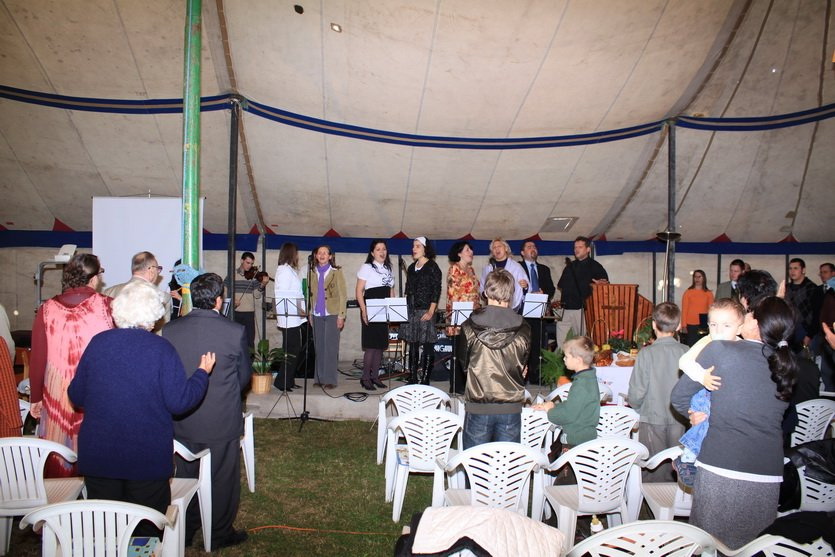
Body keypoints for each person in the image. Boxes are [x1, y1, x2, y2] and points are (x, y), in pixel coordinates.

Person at [68, 280, 214, 536]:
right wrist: (202, 373)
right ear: (155, 314)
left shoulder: (98, 343)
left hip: (100, 457)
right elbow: (180, 402)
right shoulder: (161, 349)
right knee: (146, 532)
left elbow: (76, 394)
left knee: (107, 531)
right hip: (145, 458)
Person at [671, 296, 798, 550]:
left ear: (755, 323)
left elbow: (678, 396)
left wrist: (696, 413)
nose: (746, 315)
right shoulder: (786, 364)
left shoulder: (719, 350)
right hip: (768, 473)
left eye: (750, 313)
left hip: (721, 465)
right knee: (753, 547)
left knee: (709, 545)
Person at [162, 273, 251, 549]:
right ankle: (219, 533)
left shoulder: (171, 330)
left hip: (184, 419)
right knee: (222, 477)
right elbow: (244, 377)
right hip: (220, 419)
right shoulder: (234, 331)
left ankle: (186, 530)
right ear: (218, 300)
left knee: (185, 476)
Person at [29, 253, 114, 477]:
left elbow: (38, 356)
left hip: (58, 392)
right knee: (98, 448)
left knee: (58, 447)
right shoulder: (107, 306)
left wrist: (36, 397)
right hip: (97, 390)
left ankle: (61, 493)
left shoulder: (47, 309)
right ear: (93, 278)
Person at [673, 298, 745, 487]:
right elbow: (684, 362)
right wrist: (702, 376)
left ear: (740, 328)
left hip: (725, 401)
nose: (718, 330)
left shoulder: (742, 346)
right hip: (703, 392)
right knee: (704, 419)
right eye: (713, 324)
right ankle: (688, 458)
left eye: (726, 325)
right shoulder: (707, 342)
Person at [458, 270, 530, 448]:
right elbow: (523, 365)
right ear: (511, 294)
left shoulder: (468, 326)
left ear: (485, 292)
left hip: (479, 403)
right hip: (510, 405)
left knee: (475, 463)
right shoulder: (524, 328)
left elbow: (464, 365)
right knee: (506, 463)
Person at [626, 302, 688, 482]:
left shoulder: (646, 353)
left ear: (653, 325)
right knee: (679, 467)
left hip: (652, 418)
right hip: (679, 419)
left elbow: (637, 391)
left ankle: (653, 499)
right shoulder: (687, 352)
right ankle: (675, 498)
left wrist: (637, 408)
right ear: (678, 326)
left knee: (654, 469)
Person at [532, 336, 600, 448]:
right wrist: (553, 406)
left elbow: (568, 415)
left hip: (576, 440)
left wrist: (550, 411)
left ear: (578, 360)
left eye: (567, 356)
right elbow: (574, 405)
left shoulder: (581, 385)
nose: (564, 359)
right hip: (585, 437)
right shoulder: (589, 378)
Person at [399, 237, 442, 385]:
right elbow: (408, 289)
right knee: (413, 345)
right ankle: (412, 376)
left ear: (425, 248)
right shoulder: (411, 268)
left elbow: (436, 290)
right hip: (412, 310)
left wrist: (431, 311)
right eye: (413, 246)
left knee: (428, 345)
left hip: (425, 310)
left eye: (418, 246)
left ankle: (425, 379)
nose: (414, 249)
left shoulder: (433, 267)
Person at [356, 239, 395, 391]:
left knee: (380, 346)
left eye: (384, 249)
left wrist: (392, 309)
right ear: (372, 253)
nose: (382, 252)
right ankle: (365, 377)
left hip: (384, 308)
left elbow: (391, 291)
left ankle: (375, 377)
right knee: (371, 346)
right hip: (371, 307)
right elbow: (359, 290)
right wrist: (363, 310)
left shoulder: (389, 268)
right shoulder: (367, 267)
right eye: (378, 249)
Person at [556, 236, 608, 347]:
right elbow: (560, 285)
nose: (576, 249)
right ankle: (562, 357)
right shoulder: (570, 266)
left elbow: (604, 284)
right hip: (565, 309)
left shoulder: (595, 266)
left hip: (581, 309)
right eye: (575, 247)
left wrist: (601, 284)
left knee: (580, 341)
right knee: (562, 341)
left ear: (588, 249)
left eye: (580, 247)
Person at [104, 251, 171, 333]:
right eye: (158, 269)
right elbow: (161, 333)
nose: (158, 273)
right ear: (152, 270)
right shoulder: (162, 298)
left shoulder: (108, 292)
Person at [309, 245, 347, 389]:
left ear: (330, 256)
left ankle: (330, 379)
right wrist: (310, 312)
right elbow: (310, 295)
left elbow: (343, 295)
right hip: (317, 313)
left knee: (331, 347)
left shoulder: (336, 272)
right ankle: (319, 378)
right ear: (316, 256)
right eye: (319, 253)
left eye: (325, 253)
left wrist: (341, 315)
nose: (322, 255)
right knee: (319, 347)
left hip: (333, 313)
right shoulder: (312, 272)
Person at [445, 241, 481, 395]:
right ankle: (456, 385)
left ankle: (467, 384)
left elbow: (476, 293)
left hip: (473, 316)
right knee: (458, 352)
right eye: (467, 250)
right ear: (459, 253)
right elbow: (453, 294)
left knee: (469, 352)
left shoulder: (471, 270)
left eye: (471, 249)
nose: (470, 252)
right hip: (459, 315)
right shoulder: (454, 269)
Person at [519, 240, 556, 384]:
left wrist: (543, 292)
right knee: (522, 345)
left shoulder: (544, 269)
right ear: (522, 253)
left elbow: (551, 289)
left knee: (538, 344)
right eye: (529, 247)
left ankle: (536, 377)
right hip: (522, 312)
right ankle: (521, 376)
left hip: (539, 312)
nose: (532, 249)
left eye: (534, 246)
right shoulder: (518, 267)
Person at [272, 243, 306, 391]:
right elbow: (285, 295)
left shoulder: (288, 270)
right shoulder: (284, 271)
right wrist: (299, 309)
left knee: (293, 350)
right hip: (289, 316)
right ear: (291, 253)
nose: (297, 256)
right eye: (296, 253)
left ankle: (288, 380)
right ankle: (282, 382)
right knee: (292, 350)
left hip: (293, 316)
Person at [225, 252, 270, 350]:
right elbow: (224, 290)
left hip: (249, 312)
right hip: (235, 311)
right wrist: (232, 299)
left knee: (249, 340)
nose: (250, 266)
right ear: (242, 261)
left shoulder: (254, 277)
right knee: (235, 339)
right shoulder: (232, 274)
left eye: (252, 263)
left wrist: (262, 285)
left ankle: (250, 359)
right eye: (247, 263)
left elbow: (256, 295)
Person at [480, 238, 527, 312]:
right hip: (492, 309)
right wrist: (487, 294)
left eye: (499, 246)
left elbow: (525, 288)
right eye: (494, 248)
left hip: (511, 308)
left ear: (506, 249)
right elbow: (482, 289)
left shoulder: (517, 267)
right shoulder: (488, 269)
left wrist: (525, 286)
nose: (497, 249)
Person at [785, 257, 822, 351]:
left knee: (807, 358)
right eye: (790, 268)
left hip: (806, 330)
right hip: (789, 331)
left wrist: (810, 335)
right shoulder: (786, 288)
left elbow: (817, 314)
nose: (792, 271)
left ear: (803, 270)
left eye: (795, 268)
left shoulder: (812, 288)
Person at [680, 269, 714, 346]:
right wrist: (684, 325)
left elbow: (711, 310)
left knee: (703, 345)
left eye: (699, 277)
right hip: (690, 323)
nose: (697, 279)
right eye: (695, 277)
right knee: (691, 344)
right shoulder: (688, 292)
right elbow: (684, 310)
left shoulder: (708, 293)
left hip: (703, 322)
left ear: (704, 278)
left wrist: (712, 324)